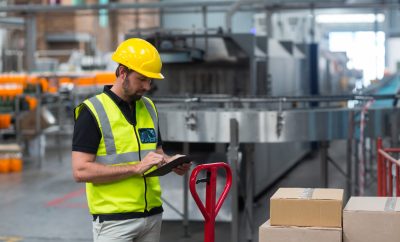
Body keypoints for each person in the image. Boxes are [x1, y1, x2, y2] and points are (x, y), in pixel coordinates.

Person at [71, 38, 191, 242]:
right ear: (122, 72)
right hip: (115, 222)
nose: (147, 86)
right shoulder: (92, 111)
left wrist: (171, 163)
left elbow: (157, 153)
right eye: (142, 79)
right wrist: (135, 168)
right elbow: (80, 170)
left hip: (152, 216)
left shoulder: (149, 107)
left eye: (150, 81)